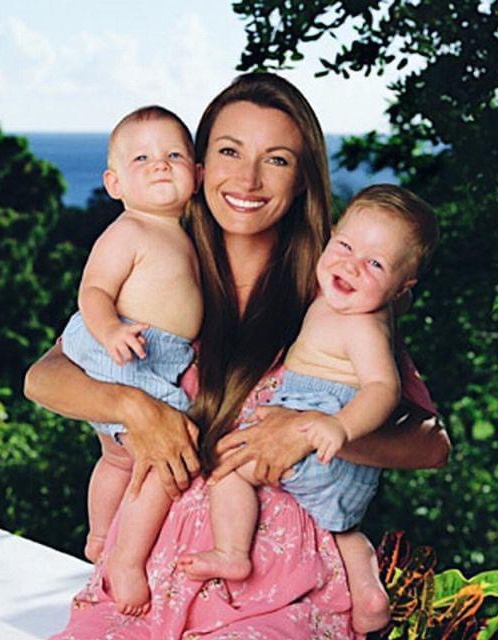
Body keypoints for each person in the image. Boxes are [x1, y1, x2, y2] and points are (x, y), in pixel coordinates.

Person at [24, 72, 450, 640]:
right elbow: (46, 376)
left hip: (278, 587)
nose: (247, 178)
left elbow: (431, 445)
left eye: (276, 160)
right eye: (229, 151)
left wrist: (305, 434)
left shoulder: (337, 291)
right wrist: (135, 409)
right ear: (199, 166)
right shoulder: (161, 266)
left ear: (302, 180)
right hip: (152, 580)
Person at [178, 183, 439, 633]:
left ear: (401, 287)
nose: (351, 266)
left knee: (229, 468)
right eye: (345, 246)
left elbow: (383, 389)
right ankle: (369, 593)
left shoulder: (364, 326)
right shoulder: (338, 303)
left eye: (374, 264)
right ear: (329, 235)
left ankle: (232, 553)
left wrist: (337, 427)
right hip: (339, 478)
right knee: (340, 530)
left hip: (320, 442)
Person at [60, 105, 203, 615]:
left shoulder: (181, 234)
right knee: (164, 459)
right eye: (141, 158)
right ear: (115, 182)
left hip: (150, 355)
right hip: (126, 352)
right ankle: (125, 559)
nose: (160, 164)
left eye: (173, 155)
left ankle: (100, 534)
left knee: (117, 457)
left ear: (198, 174)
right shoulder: (130, 229)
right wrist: (111, 331)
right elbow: (93, 289)